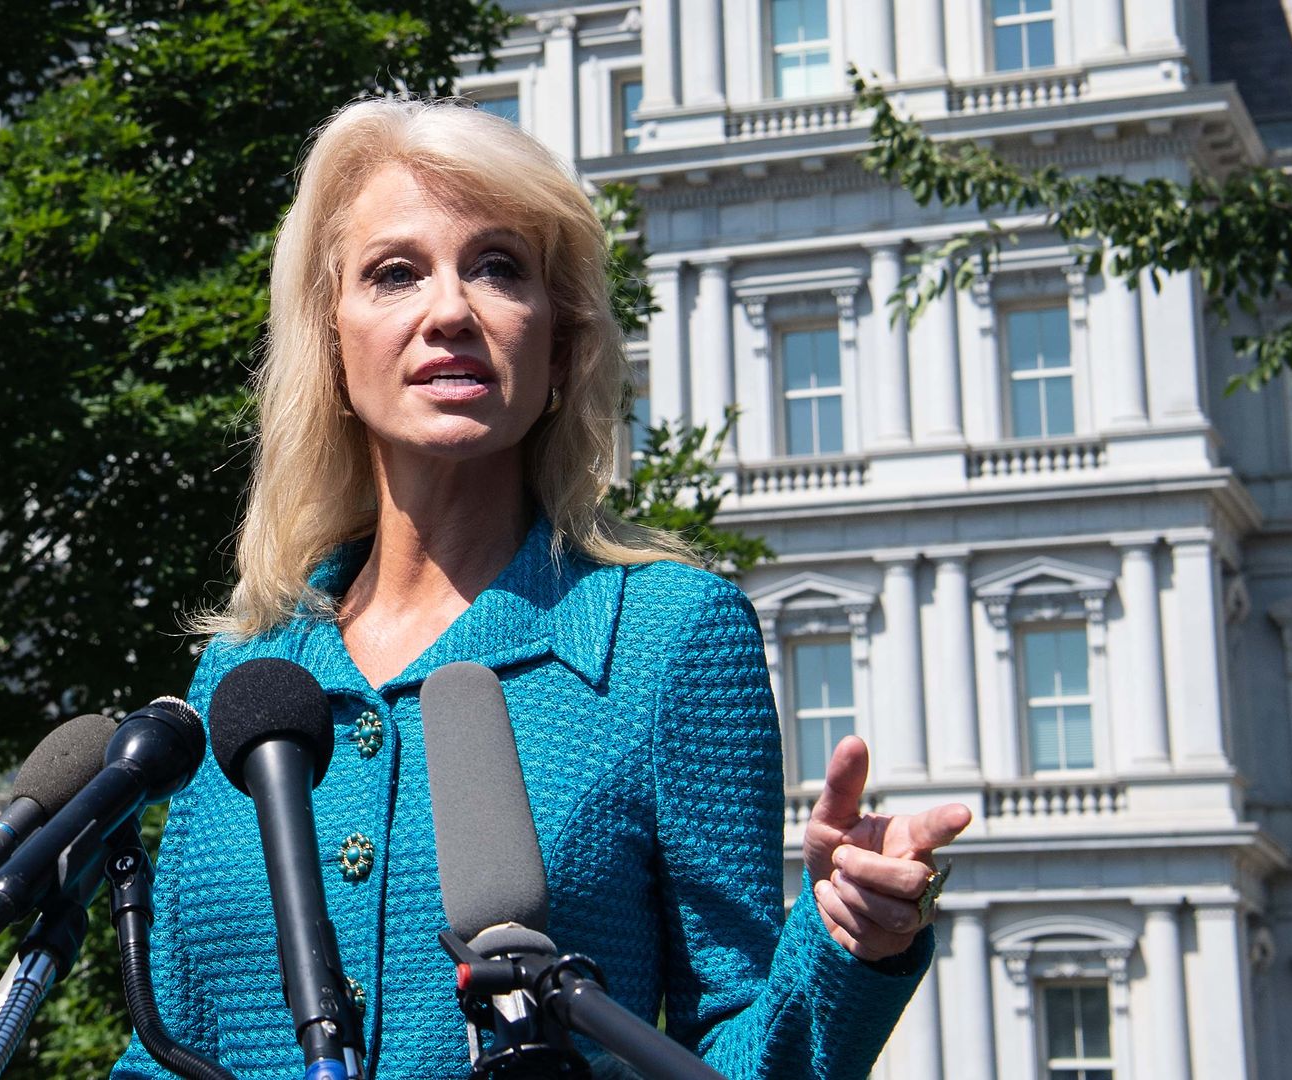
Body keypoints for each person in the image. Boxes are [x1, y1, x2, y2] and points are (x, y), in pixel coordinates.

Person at [111, 96, 970, 1080]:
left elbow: (728, 1052)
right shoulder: (247, 671)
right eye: (396, 273)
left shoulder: (670, 638)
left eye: (497, 268)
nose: (449, 312)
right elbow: (165, 1052)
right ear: (332, 341)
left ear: (559, 345)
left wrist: (847, 943)